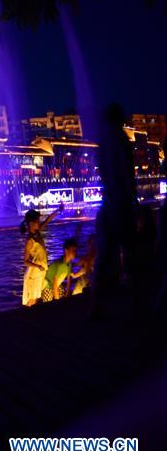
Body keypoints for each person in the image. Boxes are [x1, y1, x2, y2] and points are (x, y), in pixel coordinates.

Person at [91, 103, 137, 317]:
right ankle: (135, 304)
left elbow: (104, 172)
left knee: (104, 254)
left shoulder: (102, 143)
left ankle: (97, 303)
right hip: (121, 202)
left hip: (107, 202)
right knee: (130, 250)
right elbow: (127, 174)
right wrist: (132, 200)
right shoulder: (121, 139)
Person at [20, 206, 61, 307]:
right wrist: (37, 266)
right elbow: (25, 261)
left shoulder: (37, 233)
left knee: (37, 298)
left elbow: (47, 220)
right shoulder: (30, 241)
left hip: (40, 272)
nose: (39, 223)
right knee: (32, 300)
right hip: (33, 274)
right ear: (31, 223)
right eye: (37, 221)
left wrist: (58, 211)